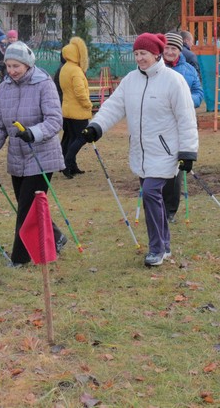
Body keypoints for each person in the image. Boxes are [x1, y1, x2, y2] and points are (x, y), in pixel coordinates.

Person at [81, 33, 198, 267]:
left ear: (156, 54)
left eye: (143, 53)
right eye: (136, 54)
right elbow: (114, 106)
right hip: (141, 152)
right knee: (153, 198)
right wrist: (96, 126)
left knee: (151, 193)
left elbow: (186, 117)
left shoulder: (174, 81)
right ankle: (164, 244)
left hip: (166, 152)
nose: (139, 58)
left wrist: (188, 152)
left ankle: (155, 248)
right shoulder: (131, 80)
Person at [0, 41, 67, 266]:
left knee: (26, 209)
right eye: (8, 66)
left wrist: (33, 133)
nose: (12, 71)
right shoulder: (4, 88)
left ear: (27, 65)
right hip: (17, 159)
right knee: (30, 207)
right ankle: (57, 237)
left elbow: (55, 120)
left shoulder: (44, 84)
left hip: (42, 156)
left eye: (16, 66)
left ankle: (20, 258)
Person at [162, 32, 203, 221]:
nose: (170, 52)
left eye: (174, 49)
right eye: (167, 48)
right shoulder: (155, 68)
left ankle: (170, 209)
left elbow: (198, 94)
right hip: (159, 123)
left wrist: (185, 101)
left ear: (180, 51)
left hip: (179, 124)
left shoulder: (188, 70)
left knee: (175, 168)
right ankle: (156, 206)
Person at [59, 37, 92, 178]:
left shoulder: (65, 68)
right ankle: (66, 164)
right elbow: (80, 92)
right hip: (78, 112)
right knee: (81, 138)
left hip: (66, 110)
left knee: (70, 138)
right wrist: (88, 104)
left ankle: (71, 165)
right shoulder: (76, 71)